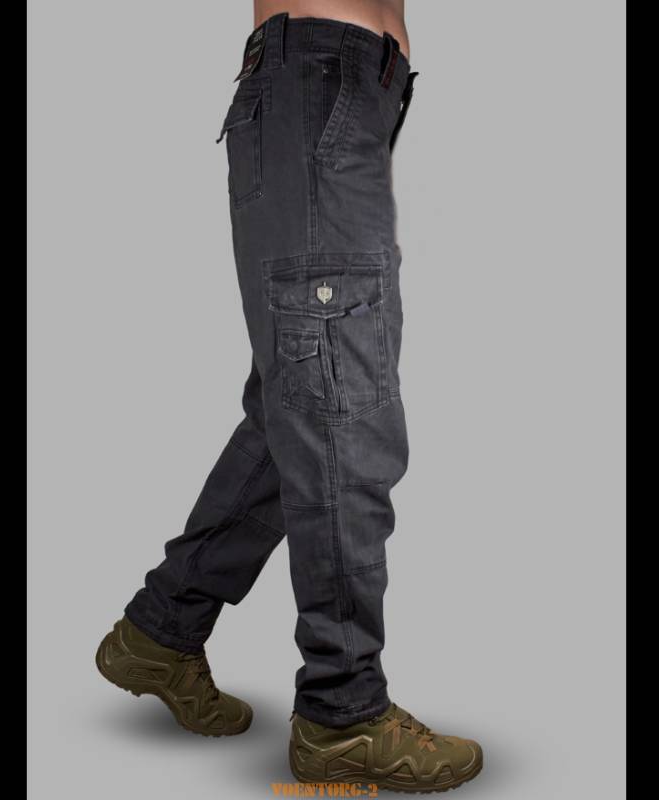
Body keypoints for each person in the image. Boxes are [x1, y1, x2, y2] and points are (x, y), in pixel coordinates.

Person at [96, 2, 483, 792]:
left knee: (302, 408)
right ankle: (342, 716)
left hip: (341, 91)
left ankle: (162, 629)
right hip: (323, 77)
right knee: (343, 421)